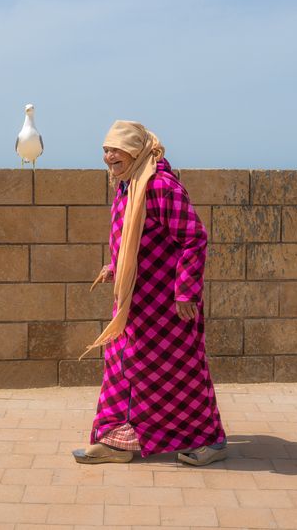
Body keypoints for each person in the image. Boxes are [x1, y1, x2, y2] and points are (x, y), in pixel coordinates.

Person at [72, 120, 227, 466]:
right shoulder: (129, 185)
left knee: (181, 371)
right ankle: (118, 439)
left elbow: (193, 239)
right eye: (105, 149)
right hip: (137, 302)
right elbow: (135, 241)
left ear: (136, 151)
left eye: (116, 150)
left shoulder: (158, 186)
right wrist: (114, 266)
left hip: (167, 305)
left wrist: (185, 291)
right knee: (122, 365)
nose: (108, 156)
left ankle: (211, 441)